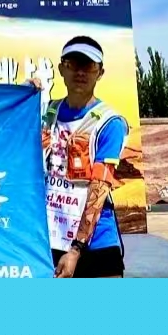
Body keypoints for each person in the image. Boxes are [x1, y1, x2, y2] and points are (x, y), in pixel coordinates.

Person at [36, 35, 128, 278]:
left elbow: (100, 186)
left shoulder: (110, 122)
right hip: (49, 237)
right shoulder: (44, 113)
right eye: (73, 64)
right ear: (61, 69)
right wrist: (23, 95)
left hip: (96, 241)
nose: (80, 72)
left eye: (88, 65)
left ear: (100, 73)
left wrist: (76, 250)